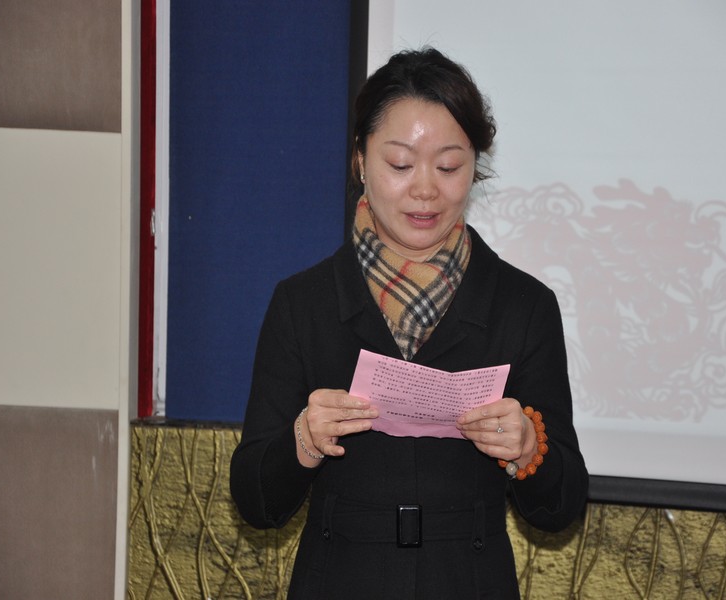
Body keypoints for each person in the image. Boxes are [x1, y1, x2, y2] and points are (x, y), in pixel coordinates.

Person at [230, 47, 588, 599]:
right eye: (400, 165)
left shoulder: (523, 305)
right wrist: (303, 439)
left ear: (475, 166)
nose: (426, 189)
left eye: (449, 167)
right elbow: (256, 502)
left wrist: (526, 448)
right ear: (360, 160)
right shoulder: (303, 303)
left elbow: (560, 509)